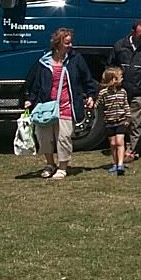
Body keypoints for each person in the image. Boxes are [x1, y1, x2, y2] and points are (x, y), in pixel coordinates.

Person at [26, 28, 95, 180]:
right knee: (44, 137)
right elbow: (36, 83)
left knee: (63, 137)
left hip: (66, 106)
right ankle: (50, 164)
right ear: (58, 43)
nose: (70, 45)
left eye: (70, 42)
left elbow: (86, 78)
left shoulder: (76, 59)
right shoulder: (44, 61)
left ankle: (62, 167)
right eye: (67, 43)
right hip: (46, 107)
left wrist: (90, 94)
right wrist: (30, 99)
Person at [108, 20, 141, 162]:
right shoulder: (120, 46)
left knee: (135, 122)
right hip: (121, 91)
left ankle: (131, 151)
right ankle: (137, 146)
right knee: (121, 121)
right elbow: (111, 66)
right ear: (133, 32)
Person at [97, 67, 130, 176]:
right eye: (120, 77)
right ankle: (115, 163)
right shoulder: (103, 93)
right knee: (113, 143)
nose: (122, 79)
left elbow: (126, 105)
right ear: (113, 80)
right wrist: (91, 105)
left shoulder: (123, 92)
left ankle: (120, 164)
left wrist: (128, 117)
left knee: (120, 142)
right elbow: (98, 104)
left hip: (121, 120)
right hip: (109, 122)